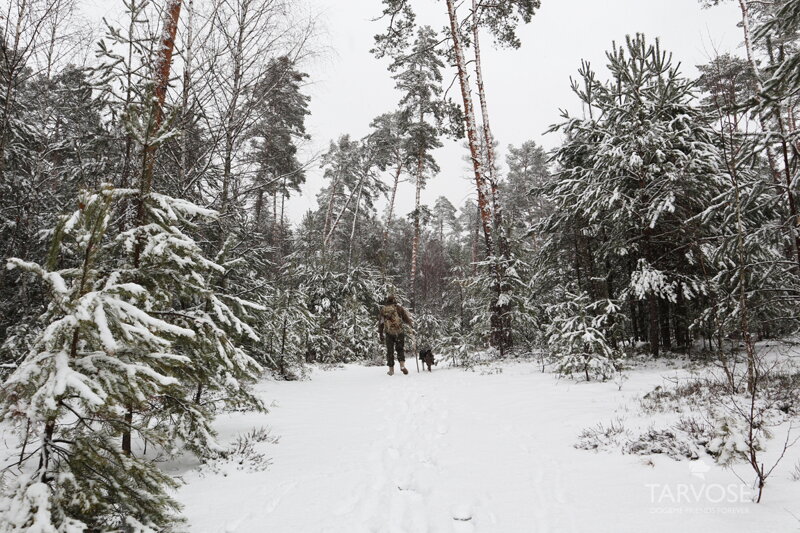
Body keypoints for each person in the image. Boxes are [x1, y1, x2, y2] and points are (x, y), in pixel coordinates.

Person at [378, 294, 413, 375]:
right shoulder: (399, 308)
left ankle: (391, 370)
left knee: (390, 351)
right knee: (400, 349)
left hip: (389, 333)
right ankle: (402, 366)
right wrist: (410, 324)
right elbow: (405, 318)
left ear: (387, 301)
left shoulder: (383, 310)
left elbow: (381, 323)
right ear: (394, 301)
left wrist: (380, 333)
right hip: (399, 332)